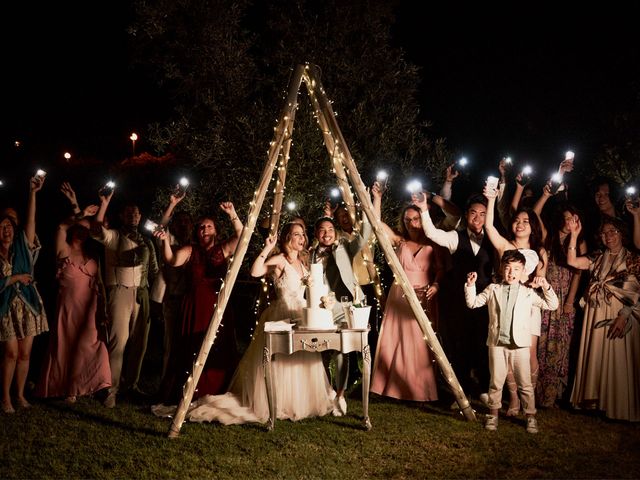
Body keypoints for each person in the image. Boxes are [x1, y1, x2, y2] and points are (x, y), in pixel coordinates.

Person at [153, 222, 335, 424]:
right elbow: (255, 271)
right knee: (280, 361)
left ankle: (299, 400)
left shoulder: (303, 263)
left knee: (300, 359)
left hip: (300, 315)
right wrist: (267, 248)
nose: (301, 238)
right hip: (280, 315)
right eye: (296, 234)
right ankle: (276, 401)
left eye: (302, 234)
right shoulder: (280, 260)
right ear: (286, 238)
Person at [154, 203, 242, 405]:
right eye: (201, 227)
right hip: (193, 306)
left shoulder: (223, 249)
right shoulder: (190, 250)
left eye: (209, 226)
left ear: (216, 231)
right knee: (190, 348)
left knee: (217, 347)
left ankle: (217, 389)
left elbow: (241, 236)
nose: (205, 230)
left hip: (217, 306)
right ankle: (190, 392)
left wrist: (232, 214)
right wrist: (166, 240)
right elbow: (171, 259)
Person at [465, 249, 559, 433]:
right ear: (501, 269)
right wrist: (470, 286)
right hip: (497, 344)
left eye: (516, 269)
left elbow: (552, 305)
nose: (511, 273)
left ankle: (530, 417)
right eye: (508, 268)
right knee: (496, 382)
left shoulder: (528, 293)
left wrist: (546, 285)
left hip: (520, 346)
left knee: (524, 384)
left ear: (523, 271)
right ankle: (493, 416)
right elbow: (473, 303)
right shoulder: (493, 289)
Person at [36, 183, 111, 402]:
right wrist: (75, 207)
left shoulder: (92, 255)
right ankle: (68, 387)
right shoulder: (63, 248)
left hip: (90, 306)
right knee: (67, 345)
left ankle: (91, 384)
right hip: (68, 305)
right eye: (79, 228)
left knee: (91, 345)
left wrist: (103, 308)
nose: (82, 232)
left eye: (84, 229)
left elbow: (99, 284)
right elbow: (60, 228)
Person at [370, 183, 444, 401]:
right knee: (396, 340)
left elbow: (440, 270)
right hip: (400, 294)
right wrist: (377, 198)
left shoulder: (434, 242)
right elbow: (376, 223)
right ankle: (390, 388)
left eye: (415, 219)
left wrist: (436, 285)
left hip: (424, 295)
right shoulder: (399, 241)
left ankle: (421, 391)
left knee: (420, 343)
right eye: (407, 220)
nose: (411, 224)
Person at [419, 192, 494, 400]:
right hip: (459, 301)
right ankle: (461, 393)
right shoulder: (455, 237)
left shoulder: (493, 237)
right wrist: (424, 209)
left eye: (482, 214)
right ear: (467, 215)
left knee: (483, 343)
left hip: (486, 300)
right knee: (460, 344)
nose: (477, 218)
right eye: (473, 213)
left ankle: (485, 389)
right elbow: (433, 234)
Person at [566, 216, 640, 421]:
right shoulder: (597, 257)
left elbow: (637, 292)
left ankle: (618, 406)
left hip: (621, 315)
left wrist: (624, 316)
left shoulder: (633, 259)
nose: (608, 236)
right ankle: (594, 401)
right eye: (604, 233)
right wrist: (574, 235)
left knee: (617, 359)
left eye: (612, 232)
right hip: (596, 313)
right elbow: (572, 261)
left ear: (621, 234)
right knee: (596, 353)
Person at [483, 183, 547, 416]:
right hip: (506, 304)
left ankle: (529, 398)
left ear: (533, 227)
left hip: (528, 306)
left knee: (529, 353)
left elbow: (542, 278)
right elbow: (489, 226)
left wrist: (537, 284)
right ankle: (513, 401)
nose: (519, 224)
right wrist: (491, 199)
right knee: (507, 353)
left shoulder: (540, 252)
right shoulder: (505, 246)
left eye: (525, 221)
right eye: (516, 220)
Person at [91, 191, 159, 408]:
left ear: (140, 217)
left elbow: (154, 271)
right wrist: (104, 203)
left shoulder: (146, 241)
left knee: (140, 342)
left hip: (142, 293)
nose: (133, 215)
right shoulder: (114, 236)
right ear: (121, 216)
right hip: (120, 291)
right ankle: (111, 389)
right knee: (118, 341)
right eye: (129, 212)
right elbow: (96, 231)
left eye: (137, 213)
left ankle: (131, 384)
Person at [309, 212, 372, 416]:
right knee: (319, 353)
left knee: (342, 352)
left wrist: (368, 210)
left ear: (334, 232)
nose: (326, 233)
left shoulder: (344, 248)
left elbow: (363, 237)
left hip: (343, 306)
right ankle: (327, 391)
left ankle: (341, 394)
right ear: (316, 233)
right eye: (322, 230)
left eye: (329, 229)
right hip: (319, 307)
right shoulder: (309, 254)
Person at [1, 174, 49, 413]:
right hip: (6, 306)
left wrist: (32, 193)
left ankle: (19, 395)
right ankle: (5, 398)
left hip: (27, 304)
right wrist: (16, 278)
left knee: (25, 353)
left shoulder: (23, 244)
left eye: (10, 223)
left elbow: (32, 221)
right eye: (2, 224)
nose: (6, 228)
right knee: (10, 352)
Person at [533, 205, 587, 407]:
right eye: (566, 218)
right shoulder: (549, 236)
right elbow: (536, 214)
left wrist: (570, 301)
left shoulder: (579, 243)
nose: (569, 221)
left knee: (560, 345)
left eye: (573, 218)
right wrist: (547, 195)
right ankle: (536, 392)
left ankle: (553, 394)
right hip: (546, 293)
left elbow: (578, 274)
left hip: (564, 296)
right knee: (541, 343)